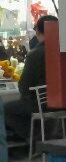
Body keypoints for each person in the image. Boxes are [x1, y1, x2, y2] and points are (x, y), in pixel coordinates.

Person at [4, 15, 58, 144]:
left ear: (38, 31)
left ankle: (36, 137)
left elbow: (24, 86)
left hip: (41, 104)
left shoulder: (36, 53)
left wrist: (26, 96)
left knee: (4, 109)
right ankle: (44, 135)